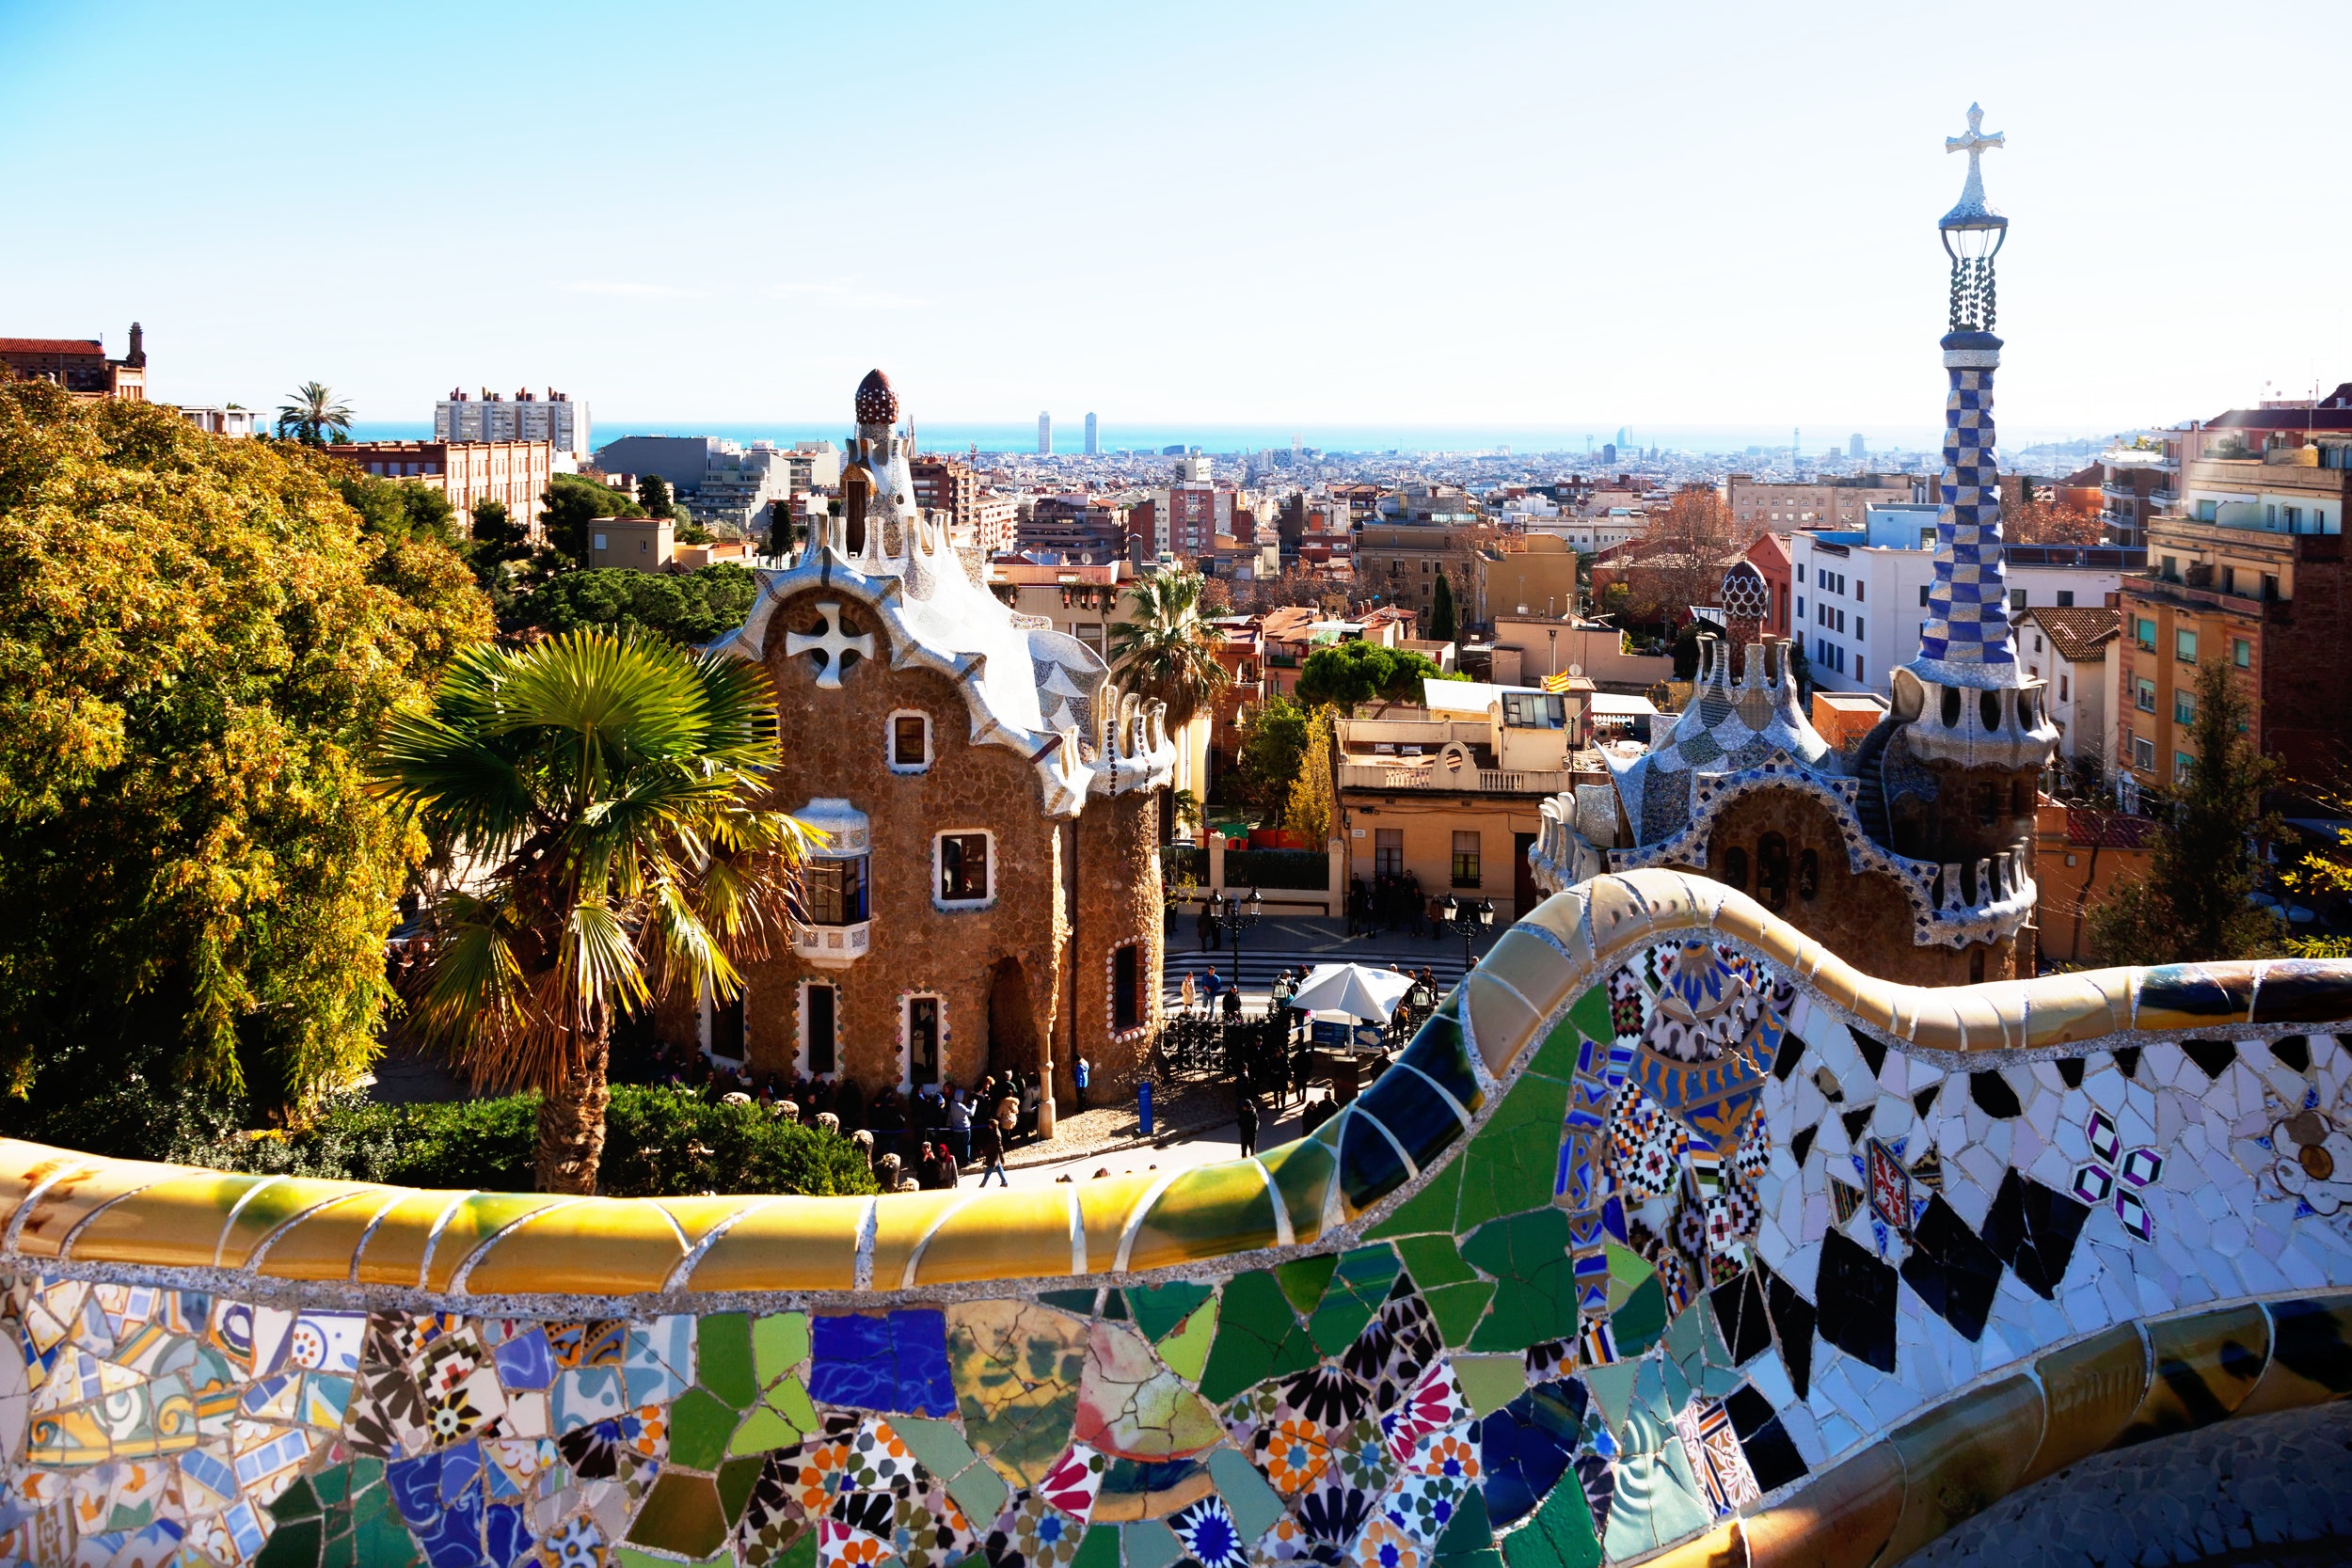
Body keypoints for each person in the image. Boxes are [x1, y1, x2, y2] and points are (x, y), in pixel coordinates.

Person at [974, 1104, 1009, 1186]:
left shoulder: (996, 1135)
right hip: (992, 1154)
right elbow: (986, 1141)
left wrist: (1002, 1159)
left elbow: (1000, 1148)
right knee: (999, 1168)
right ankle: (1004, 1182)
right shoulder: (991, 1132)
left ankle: (982, 1185)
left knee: (988, 1172)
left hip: (993, 1156)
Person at [946, 1085, 973, 1165]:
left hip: (956, 1129)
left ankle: (958, 1160)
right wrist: (974, 1105)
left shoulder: (952, 1103)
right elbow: (971, 1113)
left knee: (957, 1145)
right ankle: (966, 1161)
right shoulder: (960, 1106)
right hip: (965, 1129)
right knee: (966, 1145)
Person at [1236, 1093, 1261, 1159]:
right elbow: (1239, 1122)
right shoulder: (1242, 1113)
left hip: (1251, 1135)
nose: (1243, 1107)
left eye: (1245, 1106)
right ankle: (1244, 1161)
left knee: (1252, 1151)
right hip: (1244, 1134)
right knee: (1243, 1151)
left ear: (1248, 1107)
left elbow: (1256, 1123)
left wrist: (1253, 1130)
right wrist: (1241, 1124)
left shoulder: (1253, 1114)